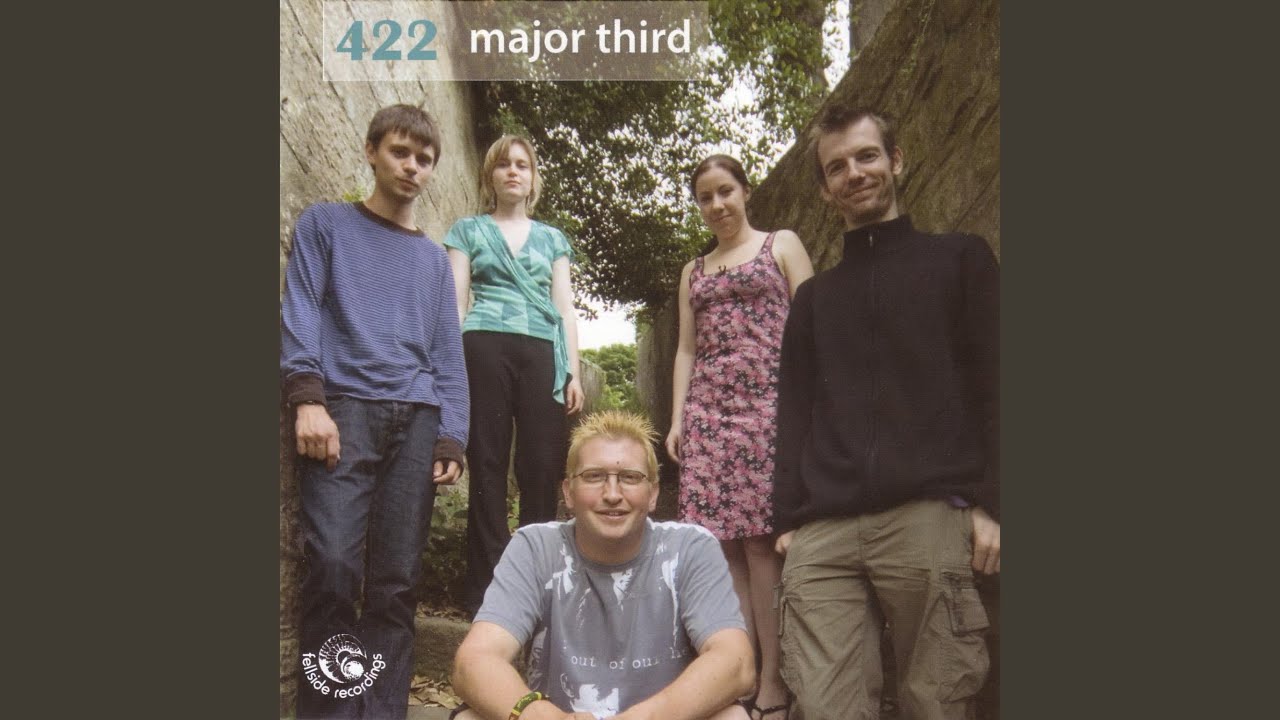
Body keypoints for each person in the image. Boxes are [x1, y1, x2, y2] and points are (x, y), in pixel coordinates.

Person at [772, 105, 1001, 720]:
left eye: (867, 156)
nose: (854, 173)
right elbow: (793, 412)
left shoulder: (961, 260)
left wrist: (992, 502)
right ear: (825, 190)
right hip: (824, 529)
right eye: (837, 167)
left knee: (938, 701)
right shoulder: (813, 300)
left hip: (930, 515)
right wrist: (787, 520)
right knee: (822, 706)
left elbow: (999, 385)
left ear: (896, 161)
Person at [280, 103, 470, 719]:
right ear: (371, 152)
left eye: (424, 159)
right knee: (334, 566)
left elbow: (447, 351)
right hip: (344, 411)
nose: (412, 167)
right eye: (400, 152)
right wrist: (308, 399)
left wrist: (452, 434)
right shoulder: (326, 224)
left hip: (416, 421)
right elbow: (301, 310)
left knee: (395, 583)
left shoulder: (434, 261)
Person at [451, 411, 755, 720]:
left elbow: (736, 661)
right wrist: (544, 716)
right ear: (568, 492)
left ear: (653, 494)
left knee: (732, 717)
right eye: (594, 476)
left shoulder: (690, 547)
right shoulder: (535, 547)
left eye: (630, 477)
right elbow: (474, 661)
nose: (612, 494)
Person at [664, 155, 813, 719]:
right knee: (720, 548)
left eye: (725, 191)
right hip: (709, 417)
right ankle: (740, 671)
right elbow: (686, 349)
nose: (717, 204)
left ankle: (773, 680)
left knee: (759, 547)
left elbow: (816, 326)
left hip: (768, 413)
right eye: (705, 197)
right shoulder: (693, 270)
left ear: (745, 191)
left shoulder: (782, 244)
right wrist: (678, 419)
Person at [444, 134, 585, 615]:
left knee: (542, 464)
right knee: (486, 461)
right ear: (491, 175)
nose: (513, 172)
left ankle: (537, 582)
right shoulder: (467, 231)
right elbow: (456, 303)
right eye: (504, 164)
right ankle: (485, 588)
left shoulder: (552, 239)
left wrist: (572, 371)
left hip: (542, 350)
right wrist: (452, 367)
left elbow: (564, 308)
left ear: (533, 178)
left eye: (522, 165)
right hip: (483, 344)